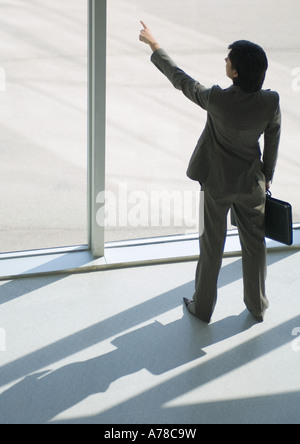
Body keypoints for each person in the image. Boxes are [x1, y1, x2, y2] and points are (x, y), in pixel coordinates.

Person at [139, 21, 281, 323]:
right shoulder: (271, 101)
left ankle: (202, 308)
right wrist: (266, 174)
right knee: (255, 246)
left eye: (228, 60)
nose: (225, 61)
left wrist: (155, 46)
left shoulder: (217, 99)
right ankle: (257, 306)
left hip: (216, 183)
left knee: (211, 246)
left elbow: (182, 81)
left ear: (236, 72)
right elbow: (273, 139)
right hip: (251, 184)